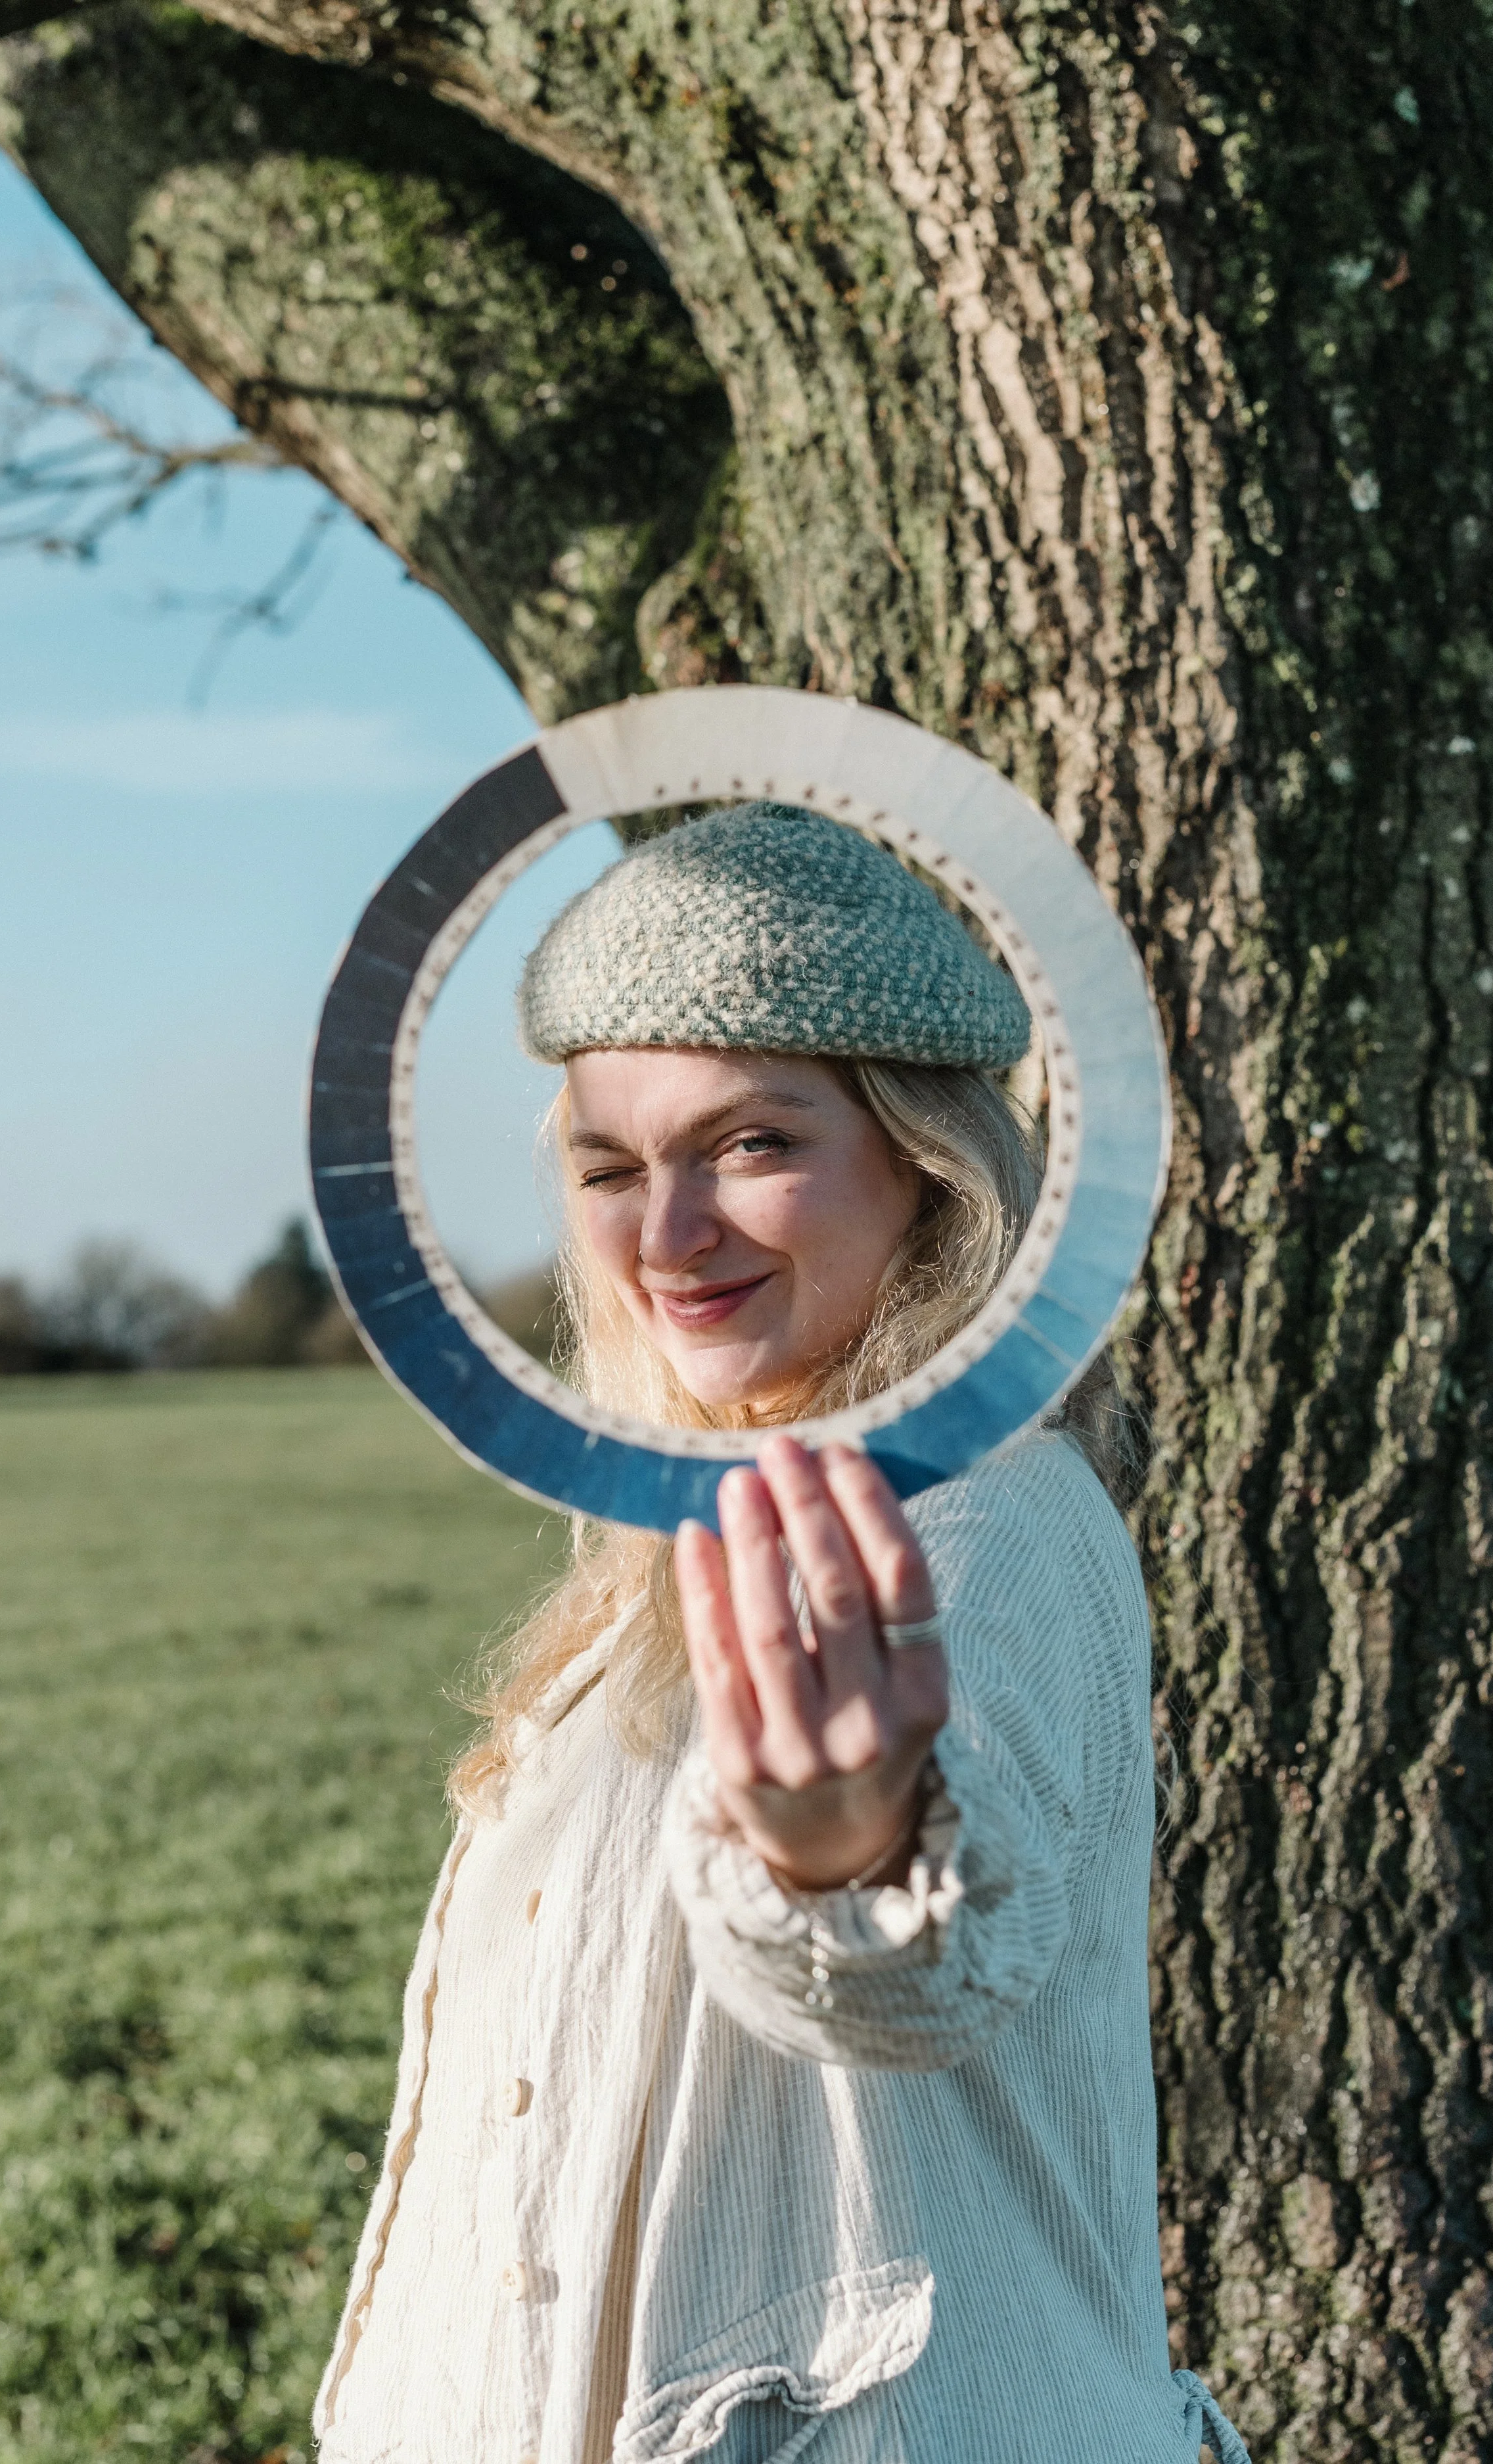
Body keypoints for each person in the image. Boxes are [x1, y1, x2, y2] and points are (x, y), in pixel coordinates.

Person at [311, 804, 1250, 2464]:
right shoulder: (692, 1541)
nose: (665, 1237)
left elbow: (918, 1971)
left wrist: (848, 1852)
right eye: (611, 1167)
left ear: (924, 1159)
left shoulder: (974, 1517)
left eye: (750, 1145)